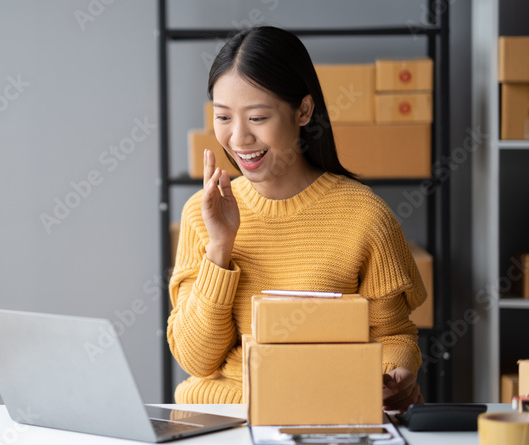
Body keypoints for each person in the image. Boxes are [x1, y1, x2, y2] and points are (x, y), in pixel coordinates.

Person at [167, 25, 426, 411]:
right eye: (223, 117)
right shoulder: (202, 213)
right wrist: (220, 247)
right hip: (222, 415)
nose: (238, 139)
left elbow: (394, 335)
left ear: (303, 110)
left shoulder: (365, 216)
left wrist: (392, 375)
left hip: (323, 410)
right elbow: (196, 359)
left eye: (257, 118)